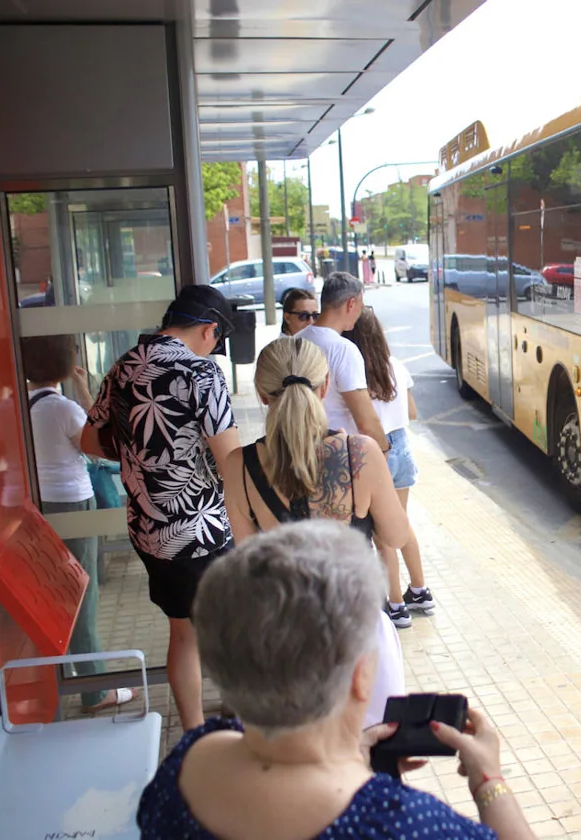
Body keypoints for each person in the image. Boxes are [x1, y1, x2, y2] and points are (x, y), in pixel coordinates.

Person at [137, 521, 535, 840]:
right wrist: (489, 783)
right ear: (362, 676)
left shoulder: (185, 762)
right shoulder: (402, 824)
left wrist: (353, 757)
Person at [218, 336, 410, 724]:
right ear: (324, 387)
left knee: (301, 765)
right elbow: (397, 537)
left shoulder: (239, 466)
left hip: (283, 638)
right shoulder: (361, 453)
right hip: (358, 634)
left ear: (261, 393)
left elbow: (248, 561)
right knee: (373, 756)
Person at [82, 284, 240, 731]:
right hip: (200, 528)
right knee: (231, 629)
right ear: (210, 330)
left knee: (183, 632)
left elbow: (89, 440)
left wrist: (143, 460)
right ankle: (240, 714)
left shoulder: (124, 365)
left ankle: (192, 732)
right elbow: (229, 462)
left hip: (149, 529)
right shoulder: (201, 374)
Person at [22, 334, 133, 714]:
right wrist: (84, 388)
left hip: (41, 506)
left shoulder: (22, 407)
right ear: (66, 364)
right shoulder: (63, 408)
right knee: (83, 595)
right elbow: (103, 443)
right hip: (73, 502)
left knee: (55, 591)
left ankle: (64, 677)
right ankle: (95, 689)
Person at [343, 310, 433, 629]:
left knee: (382, 537)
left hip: (374, 451)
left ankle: (395, 606)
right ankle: (419, 590)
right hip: (402, 447)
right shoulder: (396, 366)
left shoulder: (353, 372)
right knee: (401, 522)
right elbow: (412, 411)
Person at [297, 272, 391, 453]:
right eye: (360, 306)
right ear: (351, 304)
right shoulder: (343, 350)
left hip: (300, 449)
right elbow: (366, 422)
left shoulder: (294, 341)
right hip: (337, 455)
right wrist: (385, 451)